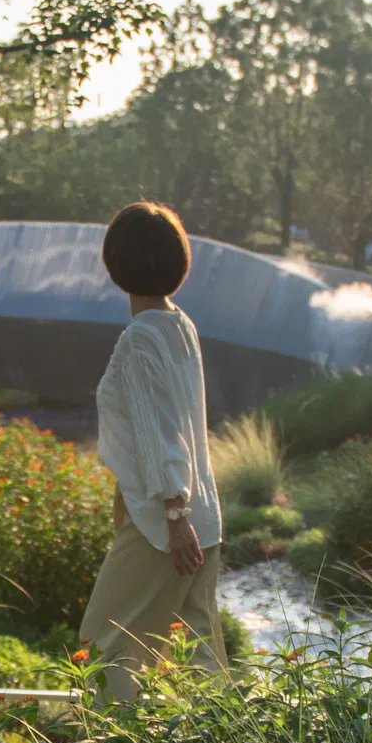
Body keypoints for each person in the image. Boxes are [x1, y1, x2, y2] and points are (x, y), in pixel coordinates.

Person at [82, 199, 225, 704]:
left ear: (116, 263)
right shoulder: (178, 324)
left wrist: (172, 509)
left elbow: (156, 429)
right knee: (195, 657)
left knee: (104, 645)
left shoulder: (140, 339)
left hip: (166, 524)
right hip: (199, 517)